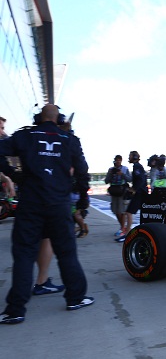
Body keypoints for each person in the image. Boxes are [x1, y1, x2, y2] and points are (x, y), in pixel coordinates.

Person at [0, 104, 94, 325]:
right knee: (67, 254)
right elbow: (82, 171)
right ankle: (75, 298)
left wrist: (14, 175)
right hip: (59, 205)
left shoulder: (24, 135)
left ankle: (15, 311)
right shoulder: (69, 139)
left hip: (30, 204)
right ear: (59, 119)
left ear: (38, 118)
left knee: (24, 255)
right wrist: (82, 199)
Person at [117, 150, 147, 242]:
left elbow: (141, 179)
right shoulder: (137, 166)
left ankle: (128, 234)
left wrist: (134, 189)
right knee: (134, 212)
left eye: (130, 156)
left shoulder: (137, 166)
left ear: (134, 157)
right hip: (141, 192)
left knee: (129, 212)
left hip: (139, 193)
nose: (128, 158)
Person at [105, 155, 132, 236]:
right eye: (116, 160)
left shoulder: (125, 169)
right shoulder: (111, 169)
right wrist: (110, 174)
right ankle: (122, 227)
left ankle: (122, 228)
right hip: (114, 191)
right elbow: (106, 181)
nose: (118, 161)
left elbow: (129, 179)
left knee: (122, 211)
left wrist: (122, 174)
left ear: (121, 160)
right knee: (115, 211)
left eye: (119, 160)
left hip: (122, 191)